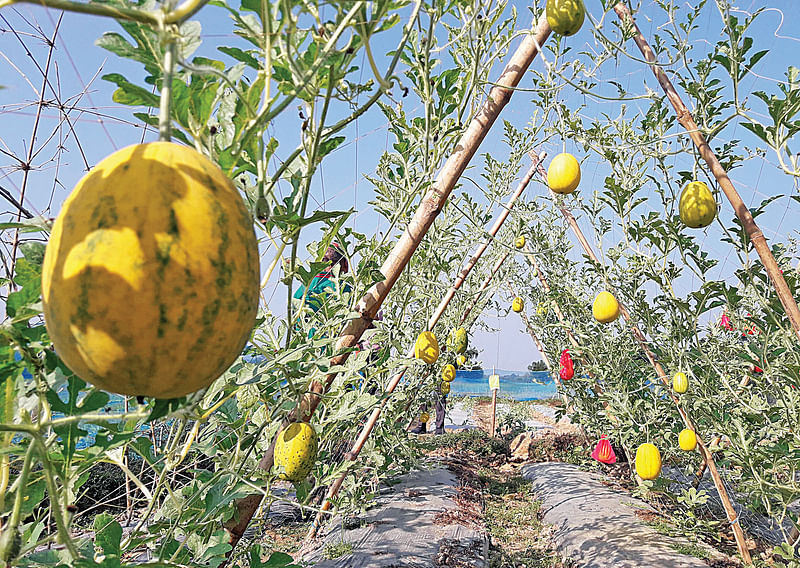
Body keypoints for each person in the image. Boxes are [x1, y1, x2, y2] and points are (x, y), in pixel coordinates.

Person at [293, 243, 351, 338]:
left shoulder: (303, 288)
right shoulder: (345, 289)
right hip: (335, 347)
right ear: (345, 264)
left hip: (305, 348)